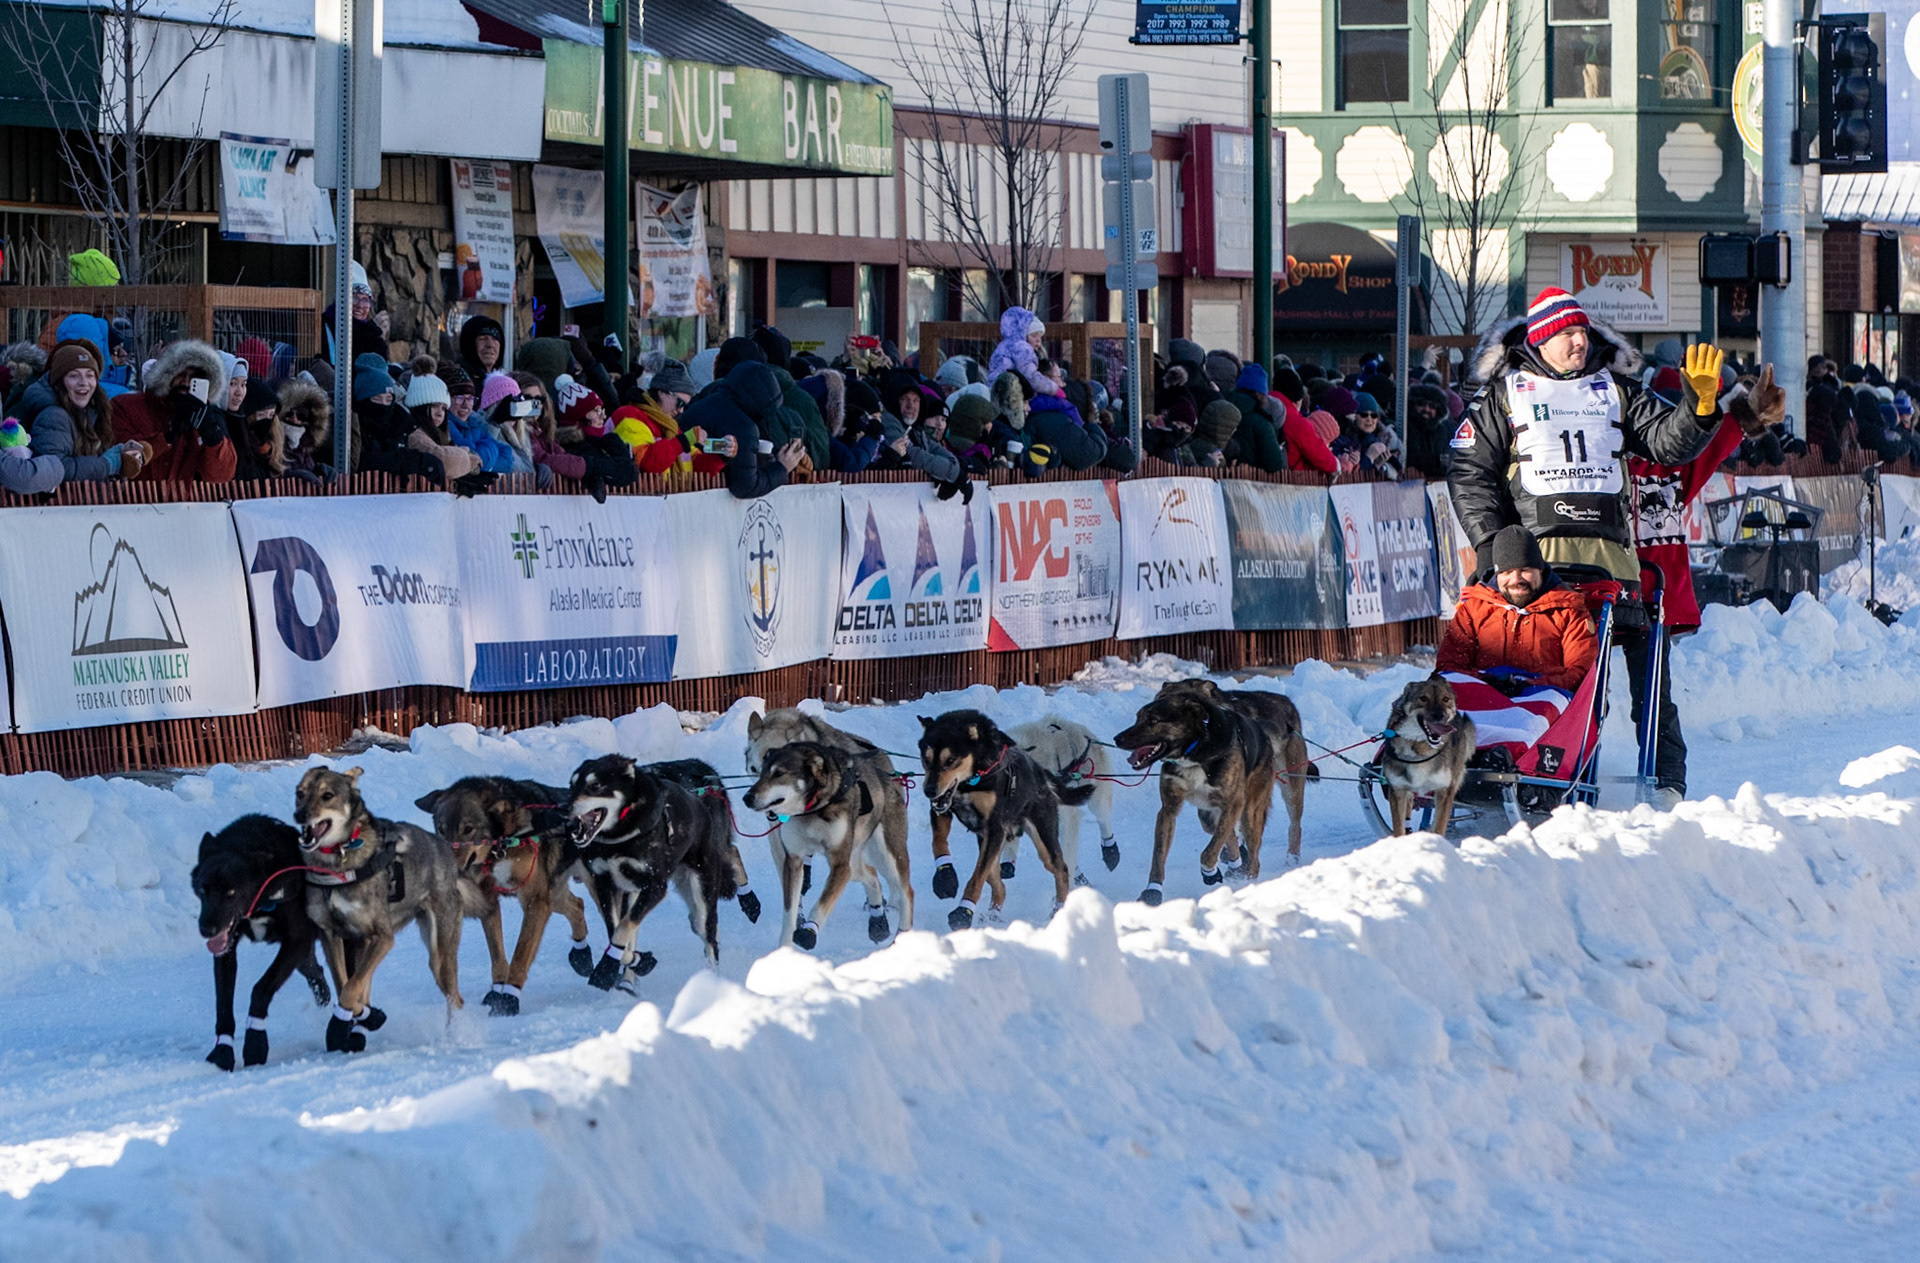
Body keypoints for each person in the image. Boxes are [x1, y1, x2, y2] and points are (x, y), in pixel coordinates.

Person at [1625, 410, 1744, 805]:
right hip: (1598, 593)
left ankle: (1668, 781)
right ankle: (1568, 770)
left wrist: (1743, 416)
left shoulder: (1668, 471)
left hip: (1653, 600)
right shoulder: (1599, 471)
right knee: (1585, 696)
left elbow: (1709, 450)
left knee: (1653, 698)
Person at [1435, 524, 1600, 753]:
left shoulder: (1568, 610)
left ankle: (1506, 755)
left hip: (1542, 695)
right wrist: (1487, 681)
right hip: (1483, 692)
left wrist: (1529, 685)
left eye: (1525, 570)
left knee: (1535, 720)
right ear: (1497, 573)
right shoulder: (1474, 609)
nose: (1516, 579)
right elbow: (1449, 666)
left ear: (1540, 569)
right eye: (1507, 572)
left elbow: (1579, 672)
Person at [107, 339, 238, 482]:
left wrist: (212, 437)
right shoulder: (126, 406)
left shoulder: (205, 416)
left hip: (180, 496)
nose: (186, 383)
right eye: (180, 374)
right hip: (132, 495)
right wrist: (167, 437)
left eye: (195, 378)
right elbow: (122, 457)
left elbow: (221, 475)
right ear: (165, 375)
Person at [679, 360, 805, 499]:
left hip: (682, 484)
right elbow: (745, 487)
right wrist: (782, 468)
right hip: (708, 501)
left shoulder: (703, 404)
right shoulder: (743, 427)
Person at [26, 338, 147, 483]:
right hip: (62, 497)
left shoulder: (91, 411)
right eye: (74, 375)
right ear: (59, 381)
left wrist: (121, 454)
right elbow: (54, 468)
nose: (83, 382)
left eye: (89, 375)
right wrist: (108, 464)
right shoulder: (53, 416)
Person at [399, 370, 480, 482]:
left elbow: (478, 462)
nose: (440, 413)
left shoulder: (440, 434)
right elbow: (444, 460)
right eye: (434, 406)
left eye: (443, 408)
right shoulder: (415, 435)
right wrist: (467, 456)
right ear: (421, 407)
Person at [1332, 391, 1404, 478]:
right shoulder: (1345, 442)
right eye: (1364, 415)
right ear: (1354, 416)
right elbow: (1353, 478)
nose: (1369, 419)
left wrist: (1379, 464)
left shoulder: (1376, 440)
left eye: (1373, 415)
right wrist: (1369, 458)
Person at [230, 378, 288, 480]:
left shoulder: (270, 450)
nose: (267, 420)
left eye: (271, 415)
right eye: (261, 414)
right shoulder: (239, 448)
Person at [986, 306, 1053, 395]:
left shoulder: (1005, 345)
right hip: (1008, 393)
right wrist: (1054, 388)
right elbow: (1031, 376)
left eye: (1040, 336)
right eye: (1033, 336)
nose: (1038, 340)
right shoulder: (1021, 347)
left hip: (997, 391)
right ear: (1023, 334)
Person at [458, 314, 506, 382]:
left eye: (495, 339)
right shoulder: (458, 380)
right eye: (482, 339)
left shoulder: (503, 383)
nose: (490, 345)